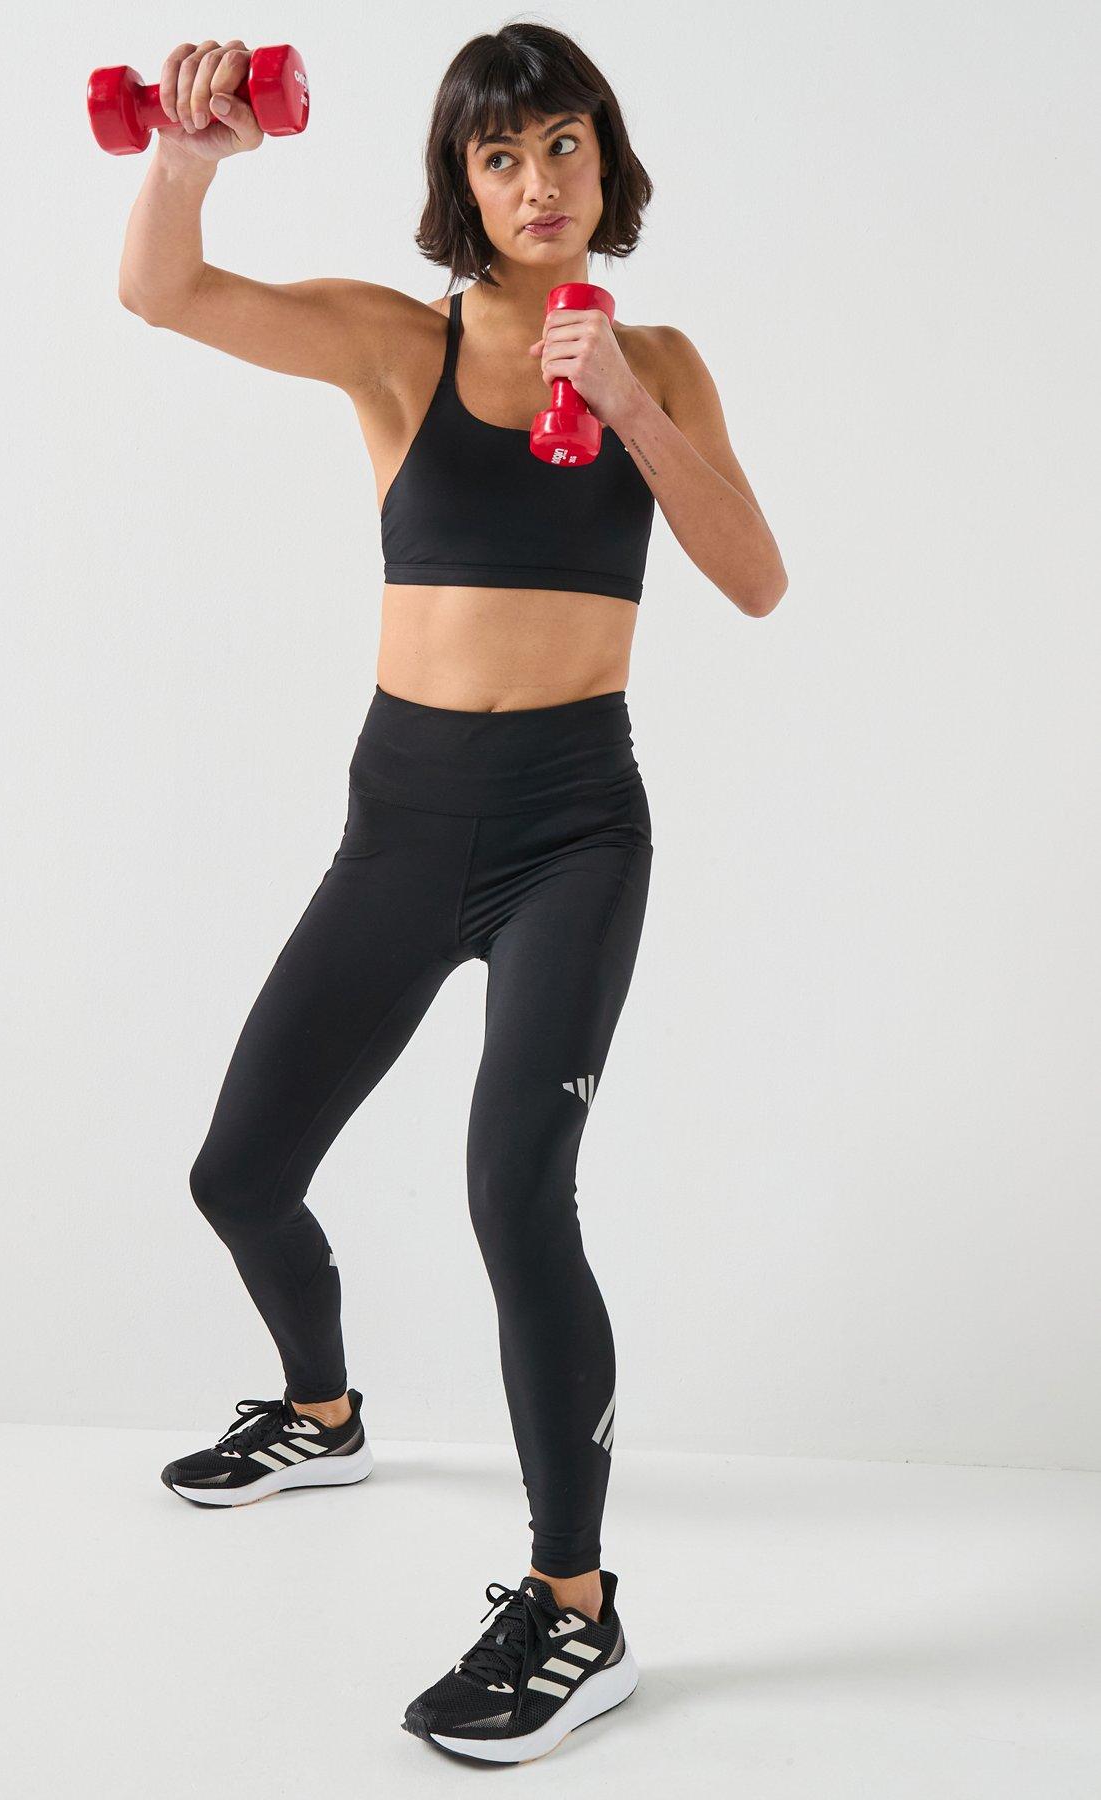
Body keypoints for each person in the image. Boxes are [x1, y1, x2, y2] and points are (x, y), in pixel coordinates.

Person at [117, 21, 786, 1762]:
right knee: (238, 1172)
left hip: (572, 829)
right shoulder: (394, 345)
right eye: (501, 156)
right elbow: (162, 294)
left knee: (514, 1194)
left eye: (562, 146)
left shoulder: (660, 363)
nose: (536, 181)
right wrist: (187, 158)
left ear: (602, 162)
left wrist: (628, 403)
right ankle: (322, 1411)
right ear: (463, 186)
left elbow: (755, 578)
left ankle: (575, 1606)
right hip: (401, 824)